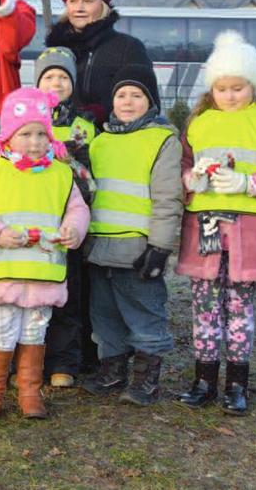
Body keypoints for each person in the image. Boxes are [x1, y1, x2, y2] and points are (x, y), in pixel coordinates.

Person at [174, 32, 256, 416]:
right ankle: (203, 380)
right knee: (202, 307)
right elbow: (184, 165)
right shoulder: (199, 122)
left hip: (249, 233)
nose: (230, 95)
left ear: (254, 85)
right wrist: (191, 180)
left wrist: (253, 183)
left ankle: (236, 384)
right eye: (222, 88)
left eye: (238, 87)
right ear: (211, 88)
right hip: (206, 231)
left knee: (239, 307)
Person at [0, 87, 90, 418]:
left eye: (41, 134)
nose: (35, 142)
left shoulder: (61, 173)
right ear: (8, 136)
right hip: (2, 270)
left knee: (35, 331)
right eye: (26, 134)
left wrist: (74, 230)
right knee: (0, 331)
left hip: (42, 271)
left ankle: (30, 391)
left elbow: (77, 208)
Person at [82, 66, 182, 407]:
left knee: (144, 313)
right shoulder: (100, 140)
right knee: (104, 314)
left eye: (136, 95)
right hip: (99, 246)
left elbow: (169, 198)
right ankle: (112, 369)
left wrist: (160, 247)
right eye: (121, 95)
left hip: (138, 249)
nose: (127, 101)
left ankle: (146, 378)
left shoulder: (163, 140)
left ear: (150, 102)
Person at [35, 47, 98, 386]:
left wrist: (67, 161)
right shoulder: (24, 119)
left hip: (67, 221)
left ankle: (65, 362)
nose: (56, 83)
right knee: (29, 293)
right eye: (48, 77)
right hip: (29, 218)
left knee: (68, 295)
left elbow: (91, 181)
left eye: (63, 77)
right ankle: (29, 361)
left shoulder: (83, 126)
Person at [44, 0, 152, 126]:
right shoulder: (56, 49)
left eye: (88, 1)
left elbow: (146, 102)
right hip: (62, 142)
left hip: (111, 140)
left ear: (103, 6)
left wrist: (101, 115)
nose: (79, 8)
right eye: (73, 1)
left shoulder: (129, 48)